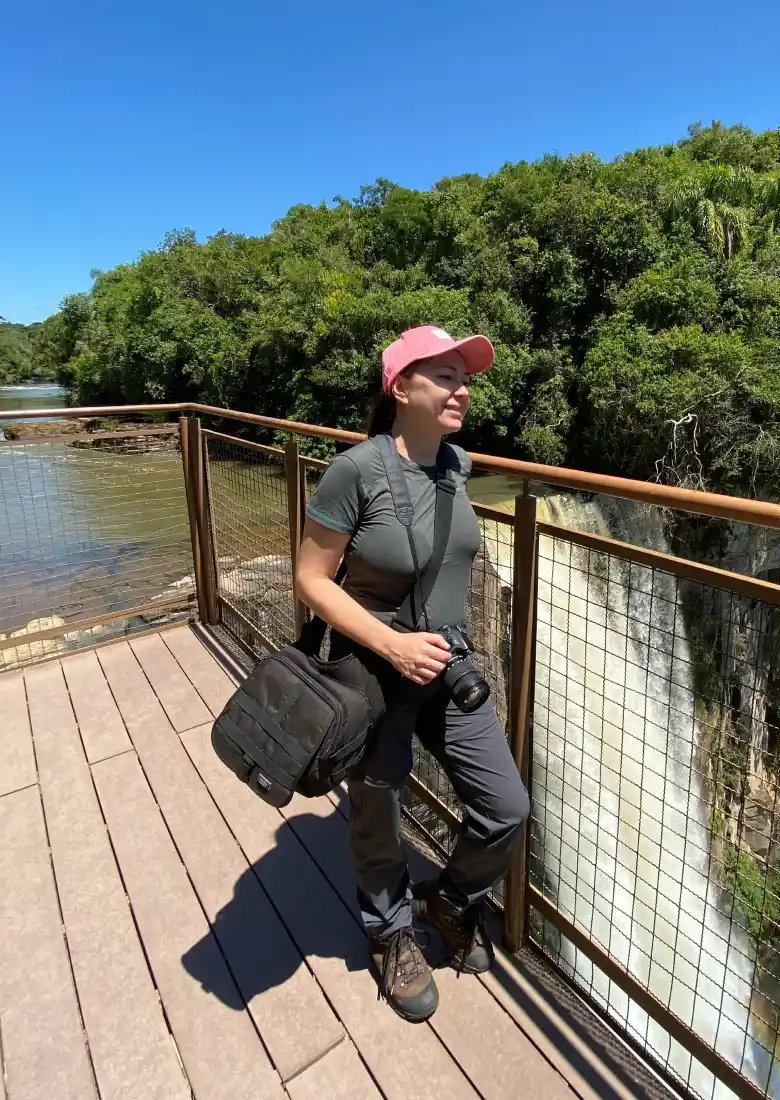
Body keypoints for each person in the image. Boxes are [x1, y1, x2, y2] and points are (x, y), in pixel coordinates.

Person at [294, 325, 531, 1023]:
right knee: (378, 808)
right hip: (372, 666)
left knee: (507, 808)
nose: (463, 388)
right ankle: (390, 933)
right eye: (446, 376)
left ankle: (449, 900)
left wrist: (431, 648)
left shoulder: (458, 463)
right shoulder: (355, 471)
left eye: (466, 377)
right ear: (402, 387)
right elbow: (311, 578)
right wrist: (391, 646)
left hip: (449, 663)